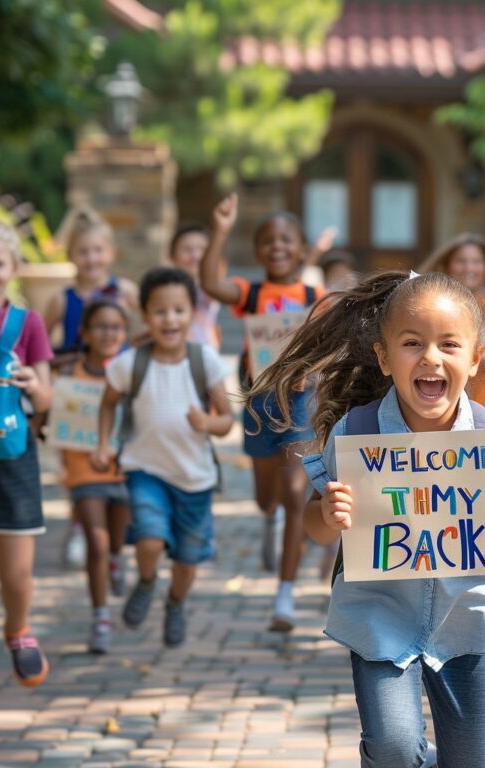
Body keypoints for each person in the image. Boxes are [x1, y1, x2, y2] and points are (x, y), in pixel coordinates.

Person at [246, 270, 485, 767]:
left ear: (475, 358)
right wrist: (327, 514)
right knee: (391, 747)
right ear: (385, 358)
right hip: (380, 619)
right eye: (413, 343)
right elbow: (314, 524)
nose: (431, 357)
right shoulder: (358, 433)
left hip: (468, 624)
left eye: (449, 345)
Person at [200, 194, 325, 631]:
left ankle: (285, 595)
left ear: (302, 247)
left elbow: (335, 346)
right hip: (259, 399)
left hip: (301, 401)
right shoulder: (251, 292)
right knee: (265, 496)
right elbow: (211, 285)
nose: (278, 246)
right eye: (268, 240)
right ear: (257, 250)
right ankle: (269, 519)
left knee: (295, 492)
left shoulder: (315, 296)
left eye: (287, 239)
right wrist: (220, 228)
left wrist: (314, 371)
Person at [91, 267, 233, 647]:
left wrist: (208, 421)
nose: (169, 319)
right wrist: (104, 444)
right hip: (145, 469)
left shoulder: (205, 361)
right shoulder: (129, 364)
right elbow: (107, 405)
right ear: (144, 315)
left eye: (178, 310)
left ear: (191, 315)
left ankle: (175, 602)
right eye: (159, 311)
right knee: (149, 539)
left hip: (195, 478)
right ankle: (149, 579)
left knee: (187, 560)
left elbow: (227, 421)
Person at [0, 217, 54, 729]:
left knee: (17, 575)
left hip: (15, 457)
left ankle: (19, 628)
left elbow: (47, 398)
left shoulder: (27, 324)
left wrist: (31, 381)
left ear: (13, 269)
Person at [43, 208, 138, 569]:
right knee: (76, 465)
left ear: (110, 252)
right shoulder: (61, 298)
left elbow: (143, 330)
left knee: (119, 457)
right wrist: (57, 364)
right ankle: (80, 523)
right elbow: (40, 344)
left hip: (119, 390)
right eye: (83, 251)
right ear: (71, 255)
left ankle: (114, 532)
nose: (91, 258)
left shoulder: (124, 291)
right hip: (77, 394)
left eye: (98, 250)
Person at [56, 299, 130, 654]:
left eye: (116, 326)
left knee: (115, 544)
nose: (108, 333)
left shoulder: (131, 372)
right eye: (100, 326)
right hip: (83, 472)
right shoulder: (68, 375)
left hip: (125, 472)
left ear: (125, 333)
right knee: (96, 544)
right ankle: (100, 615)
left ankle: (117, 562)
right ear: (84, 332)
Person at [418, 233, 485, 406]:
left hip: (480, 393)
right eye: (461, 261)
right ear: (447, 265)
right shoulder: (433, 300)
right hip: (436, 388)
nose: (469, 268)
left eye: (476, 262)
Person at [168, 222, 222, 350]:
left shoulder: (210, 286)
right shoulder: (165, 289)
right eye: (187, 249)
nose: (196, 255)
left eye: (202, 249)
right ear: (172, 256)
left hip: (205, 355)